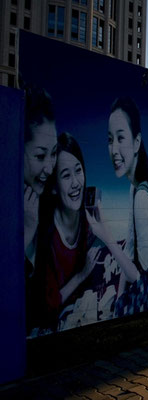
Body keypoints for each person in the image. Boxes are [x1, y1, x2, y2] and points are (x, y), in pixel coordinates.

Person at [87, 97, 148, 317]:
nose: (114, 150)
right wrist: (120, 297)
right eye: (110, 140)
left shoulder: (142, 197)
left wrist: (105, 234)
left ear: (137, 142)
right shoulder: (135, 188)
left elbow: (141, 278)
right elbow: (131, 247)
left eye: (121, 138)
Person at [33, 133, 100, 332]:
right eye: (66, 175)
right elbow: (46, 307)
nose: (76, 183)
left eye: (78, 171)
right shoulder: (44, 237)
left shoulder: (88, 224)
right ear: (53, 187)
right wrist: (81, 275)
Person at [23, 88, 58, 333]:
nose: (49, 168)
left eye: (54, 154)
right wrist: (26, 231)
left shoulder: (49, 207)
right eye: (40, 156)